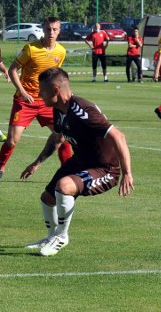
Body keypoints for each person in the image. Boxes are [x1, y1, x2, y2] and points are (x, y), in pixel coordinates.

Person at [20, 67, 133, 256]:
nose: (40, 94)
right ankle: (51, 238)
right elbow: (57, 138)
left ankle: (62, 237)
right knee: (47, 198)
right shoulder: (58, 109)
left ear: (56, 91)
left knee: (64, 186)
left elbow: (118, 136)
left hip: (104, 168)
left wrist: (127, 173)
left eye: (43, 91)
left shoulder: (82, 110)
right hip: (81, 160)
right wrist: (37, 163)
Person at [0, 17, 70, 184]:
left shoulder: (61, 51)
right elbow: (12, 70)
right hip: (25, 101)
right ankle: (0, 170)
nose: (51, 33)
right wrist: (23, 91)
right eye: (48, 29)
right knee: (12, 141)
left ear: (59, 31)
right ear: (43, 29)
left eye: (55, 29)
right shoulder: (31, 49)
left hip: (47, 102)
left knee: (62, 136)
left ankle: (67, 172)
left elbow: (56, 76)